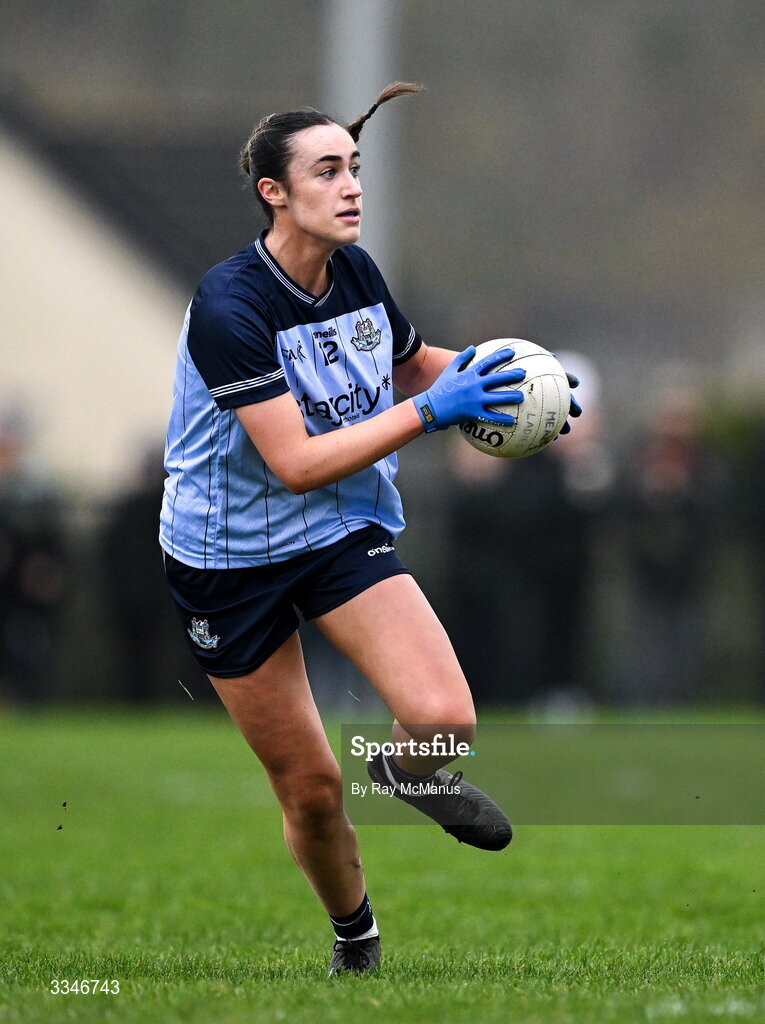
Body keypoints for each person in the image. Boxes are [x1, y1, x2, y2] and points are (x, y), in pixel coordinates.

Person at [159, 82, 581, 977]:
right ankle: (356, 937)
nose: (351, 186)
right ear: (275, 192)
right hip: (227, 559)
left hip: (336, 531)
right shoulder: (230, 306)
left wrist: (510, 385)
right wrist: (436, 410)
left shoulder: (354, 271)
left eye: (353, 168)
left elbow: (411, 367)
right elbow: (297, 460)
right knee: (310, 788)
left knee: (440, 718)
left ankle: (405, 772)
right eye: (327, 171)